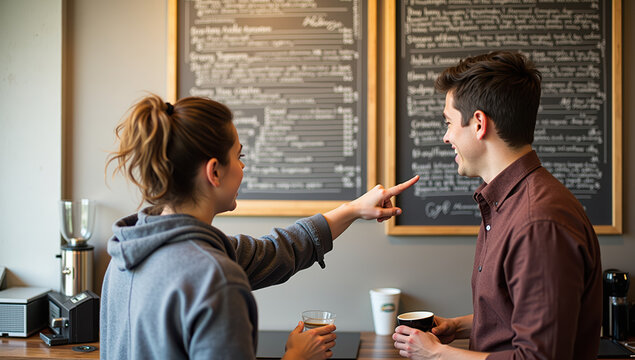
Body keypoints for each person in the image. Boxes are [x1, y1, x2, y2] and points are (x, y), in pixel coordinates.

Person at [101, 93, 419, 360]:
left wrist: (352, 210)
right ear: (214, 172)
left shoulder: (124, 257)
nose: (242, 168)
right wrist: (295, 357)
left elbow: (278, 250)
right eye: (239, 157)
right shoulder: (215, 278)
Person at [393, 51, 602, 360]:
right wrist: (458, 326)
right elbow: (518, 317)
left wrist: (437, 354)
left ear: (479, 123)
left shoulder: (538, 223)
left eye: (449, 122)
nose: (446, 136)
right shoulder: (508, 204)